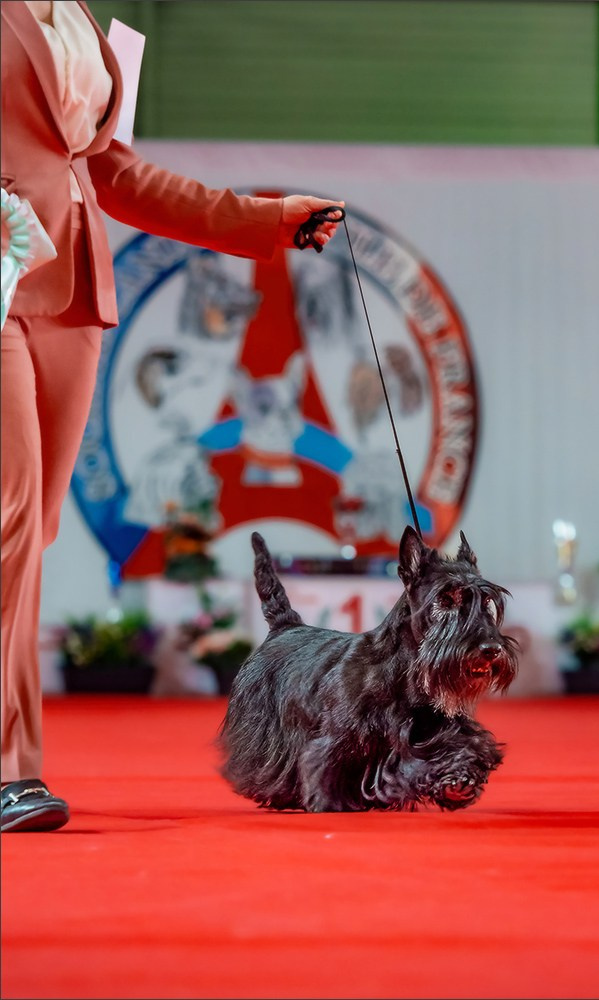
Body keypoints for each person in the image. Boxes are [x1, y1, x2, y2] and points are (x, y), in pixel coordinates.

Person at [0, 0, 344, 832]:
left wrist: (263, 220)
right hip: (0, 286)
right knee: (7, 521)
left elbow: (111, 173)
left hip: (75, 293)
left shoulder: (83, 20)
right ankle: (10, 773)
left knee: (33, 535)